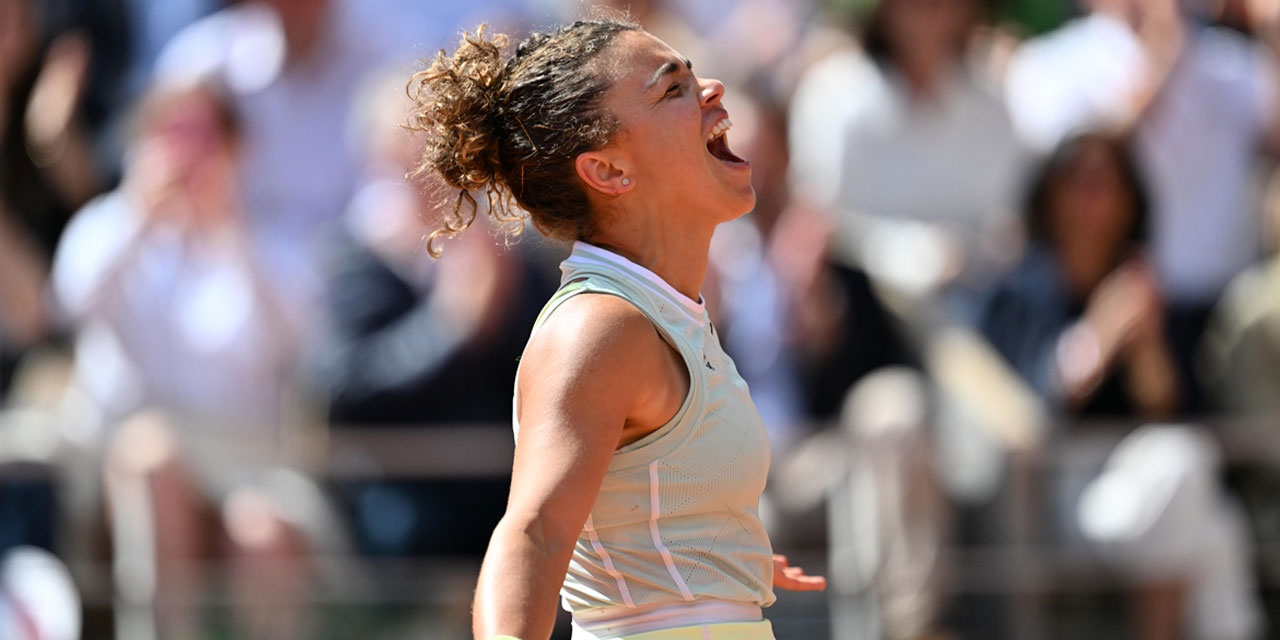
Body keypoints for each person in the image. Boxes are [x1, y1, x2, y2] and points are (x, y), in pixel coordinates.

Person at [406, 17, 825, 640]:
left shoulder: (654, 314)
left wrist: (719, 557)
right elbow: (533, 535)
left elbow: (632, 505)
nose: (711, 88)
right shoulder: (601, 327)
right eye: (671, 88)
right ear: (607, 171)